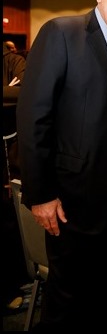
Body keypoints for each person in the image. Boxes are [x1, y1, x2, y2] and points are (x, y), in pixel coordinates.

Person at [16, 0, 107, 331]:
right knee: (68, 298)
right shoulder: (61, 32)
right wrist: (40, 194)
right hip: (72, 198)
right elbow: (33, 117)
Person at [2, 41, 28, 311]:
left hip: (12, 149)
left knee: (10, 218)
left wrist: (12, 91)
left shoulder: (13, 60)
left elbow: (24, 92)